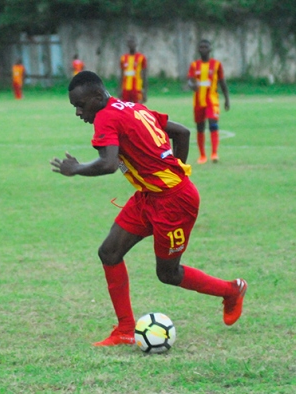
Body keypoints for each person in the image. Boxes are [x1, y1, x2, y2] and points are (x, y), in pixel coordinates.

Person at [50, 71, 247, 347]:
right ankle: (125, 329)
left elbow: (107, 164)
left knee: (168, 273)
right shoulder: (130, 106)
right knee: (109, 252)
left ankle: (231, 290)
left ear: (97, 97)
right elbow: (181, 132)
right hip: (149, 196)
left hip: (174, 202)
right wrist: (171, 171)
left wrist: (76, 169)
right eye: (75, 107)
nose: (78, 112)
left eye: (80, 105)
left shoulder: (107, 116)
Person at [187, 39, 230, 164]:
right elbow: (190, 79)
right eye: (201, 47)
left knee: (213, 124)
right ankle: (202, 156)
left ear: (210, 49)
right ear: (198, 50)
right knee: (200, 128)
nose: (203, 48)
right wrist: (191, 85)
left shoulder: (216, 65)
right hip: (198, 102)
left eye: (206, 46)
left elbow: (222, 82)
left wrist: (227, 99)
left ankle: (214, 153)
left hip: (212, 100)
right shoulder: (194, 65)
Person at [119, 35, 148, 104]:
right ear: (127, 44)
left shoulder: (141, 57)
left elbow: (144, 75)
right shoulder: (123, 58)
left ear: (136, 44)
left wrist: (145, 91)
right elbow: (121, 74)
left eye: (133, 42)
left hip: (137, 88)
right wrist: (119, 89)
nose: (131, 44)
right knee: (125, 109)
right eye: (129, 42)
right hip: (126, 88)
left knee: (137, 108)